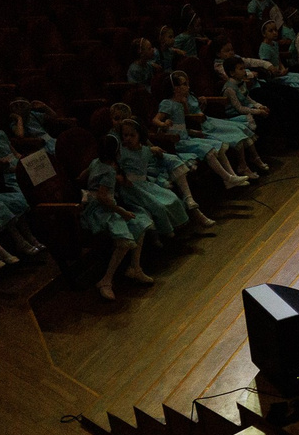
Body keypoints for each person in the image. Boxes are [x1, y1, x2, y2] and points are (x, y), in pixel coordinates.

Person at [80, 134, 157, 301]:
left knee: (140, 225)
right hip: (102, 212)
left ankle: (135, 268)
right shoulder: (109, 171)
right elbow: (102, 197)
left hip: (102, 207)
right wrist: (122, 212)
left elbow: (81, 177)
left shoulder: (95, 162)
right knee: (124, 242)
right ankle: (106, 280)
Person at [116, 114, 216, 230]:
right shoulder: (119, 147)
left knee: (172, 163)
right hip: (139, 181)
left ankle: (191, 203)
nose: (128, 138)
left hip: (148, 174)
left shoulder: (142, 147)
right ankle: (188, 214)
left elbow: (147, 151)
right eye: (125, 135)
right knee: (162, 201)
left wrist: (153, 150)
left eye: (132, 135)